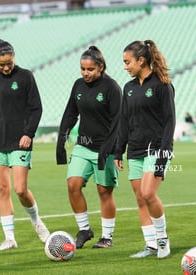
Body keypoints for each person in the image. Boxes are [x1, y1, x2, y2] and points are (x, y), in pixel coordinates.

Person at [0, 39, 50, 252]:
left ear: (14, 58)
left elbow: (36, 108)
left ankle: (37, 221)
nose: (6, 67)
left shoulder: (25, 76)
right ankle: (9, 238)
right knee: (2, 189)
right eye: (2, 64)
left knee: (20, 189)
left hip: (19, 141)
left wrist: (29, 133)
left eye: (9, 63)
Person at [114, 40, 176, 259]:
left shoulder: (162, 84)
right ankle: (149, 245)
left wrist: (164, 155)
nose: (125, 66)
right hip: (135, 150)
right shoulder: (128, 88)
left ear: (141, 60)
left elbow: (170, 122)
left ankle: (162, 241)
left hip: (157, 149)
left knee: (149, 193)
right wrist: (118, 150)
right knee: (140, 198)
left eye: (127, 62)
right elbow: (124, 121)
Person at [56, 46, 122, 249]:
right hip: (83, 147)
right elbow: (70, 114)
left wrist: (110, 149)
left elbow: (118, 121)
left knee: (104, 192)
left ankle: (107, 237)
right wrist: (62, 140)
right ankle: (84, 229)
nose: (85, 73)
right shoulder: (78, 85)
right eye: (83, 69)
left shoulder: (111, 87)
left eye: (90, 69)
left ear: (101, 67)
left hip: (106, 148)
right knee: (72, 185)